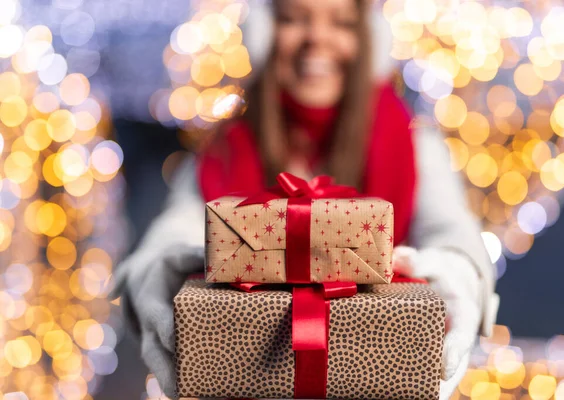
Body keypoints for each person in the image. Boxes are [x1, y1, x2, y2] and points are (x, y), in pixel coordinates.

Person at [111, 0, 500, 398]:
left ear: (368, 40)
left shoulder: (415, 146)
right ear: (265, 34)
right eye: (295, 18)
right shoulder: (224, 150)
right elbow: (180, 225)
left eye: (342, 23)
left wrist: (457, 275)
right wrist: (157, 269)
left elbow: (451, 229)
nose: (317, 38)